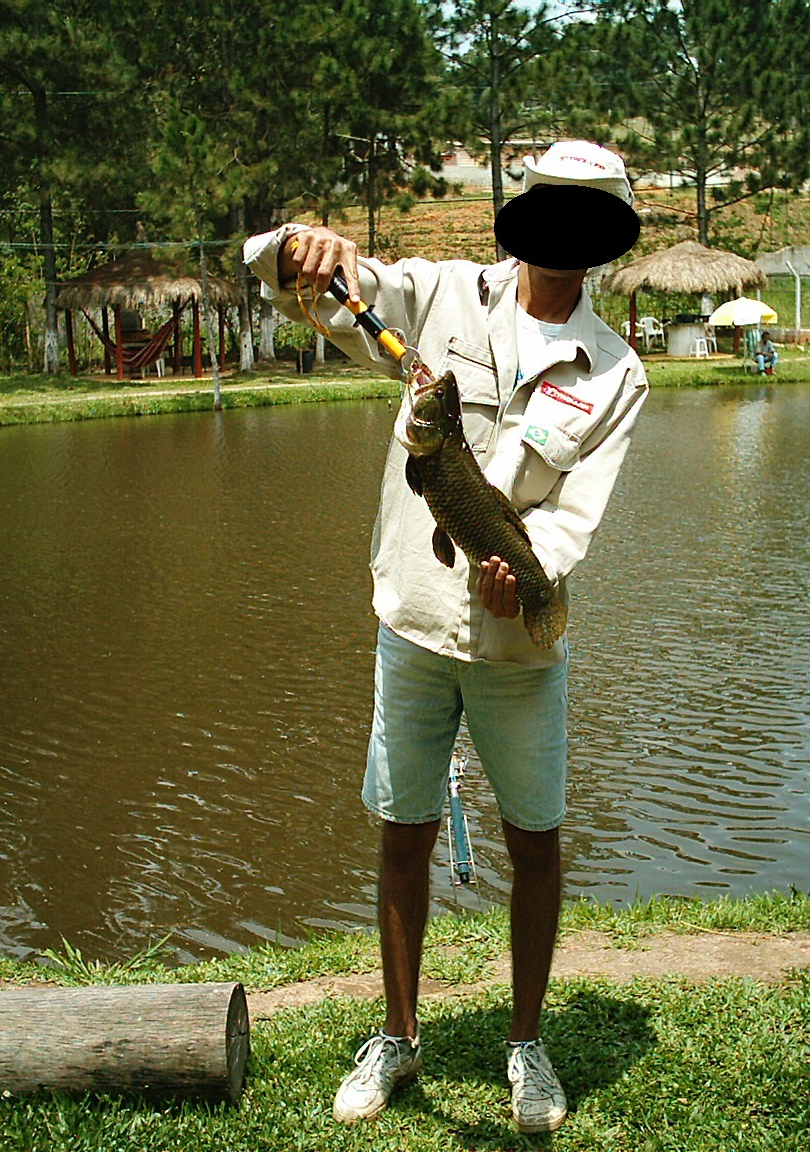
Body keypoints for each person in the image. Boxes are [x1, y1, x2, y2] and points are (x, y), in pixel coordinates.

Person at [244, 139, 648, 1135]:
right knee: (404, 828)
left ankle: (526, 1043)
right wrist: (297, 246)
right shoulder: (439, 297)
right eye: (550, 205)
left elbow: (573, 515)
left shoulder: (616, 370)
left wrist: (531, 571)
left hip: (522, 649)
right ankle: (397, 1034)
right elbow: (317, 285)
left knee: (537, 840)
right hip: (413, 622)